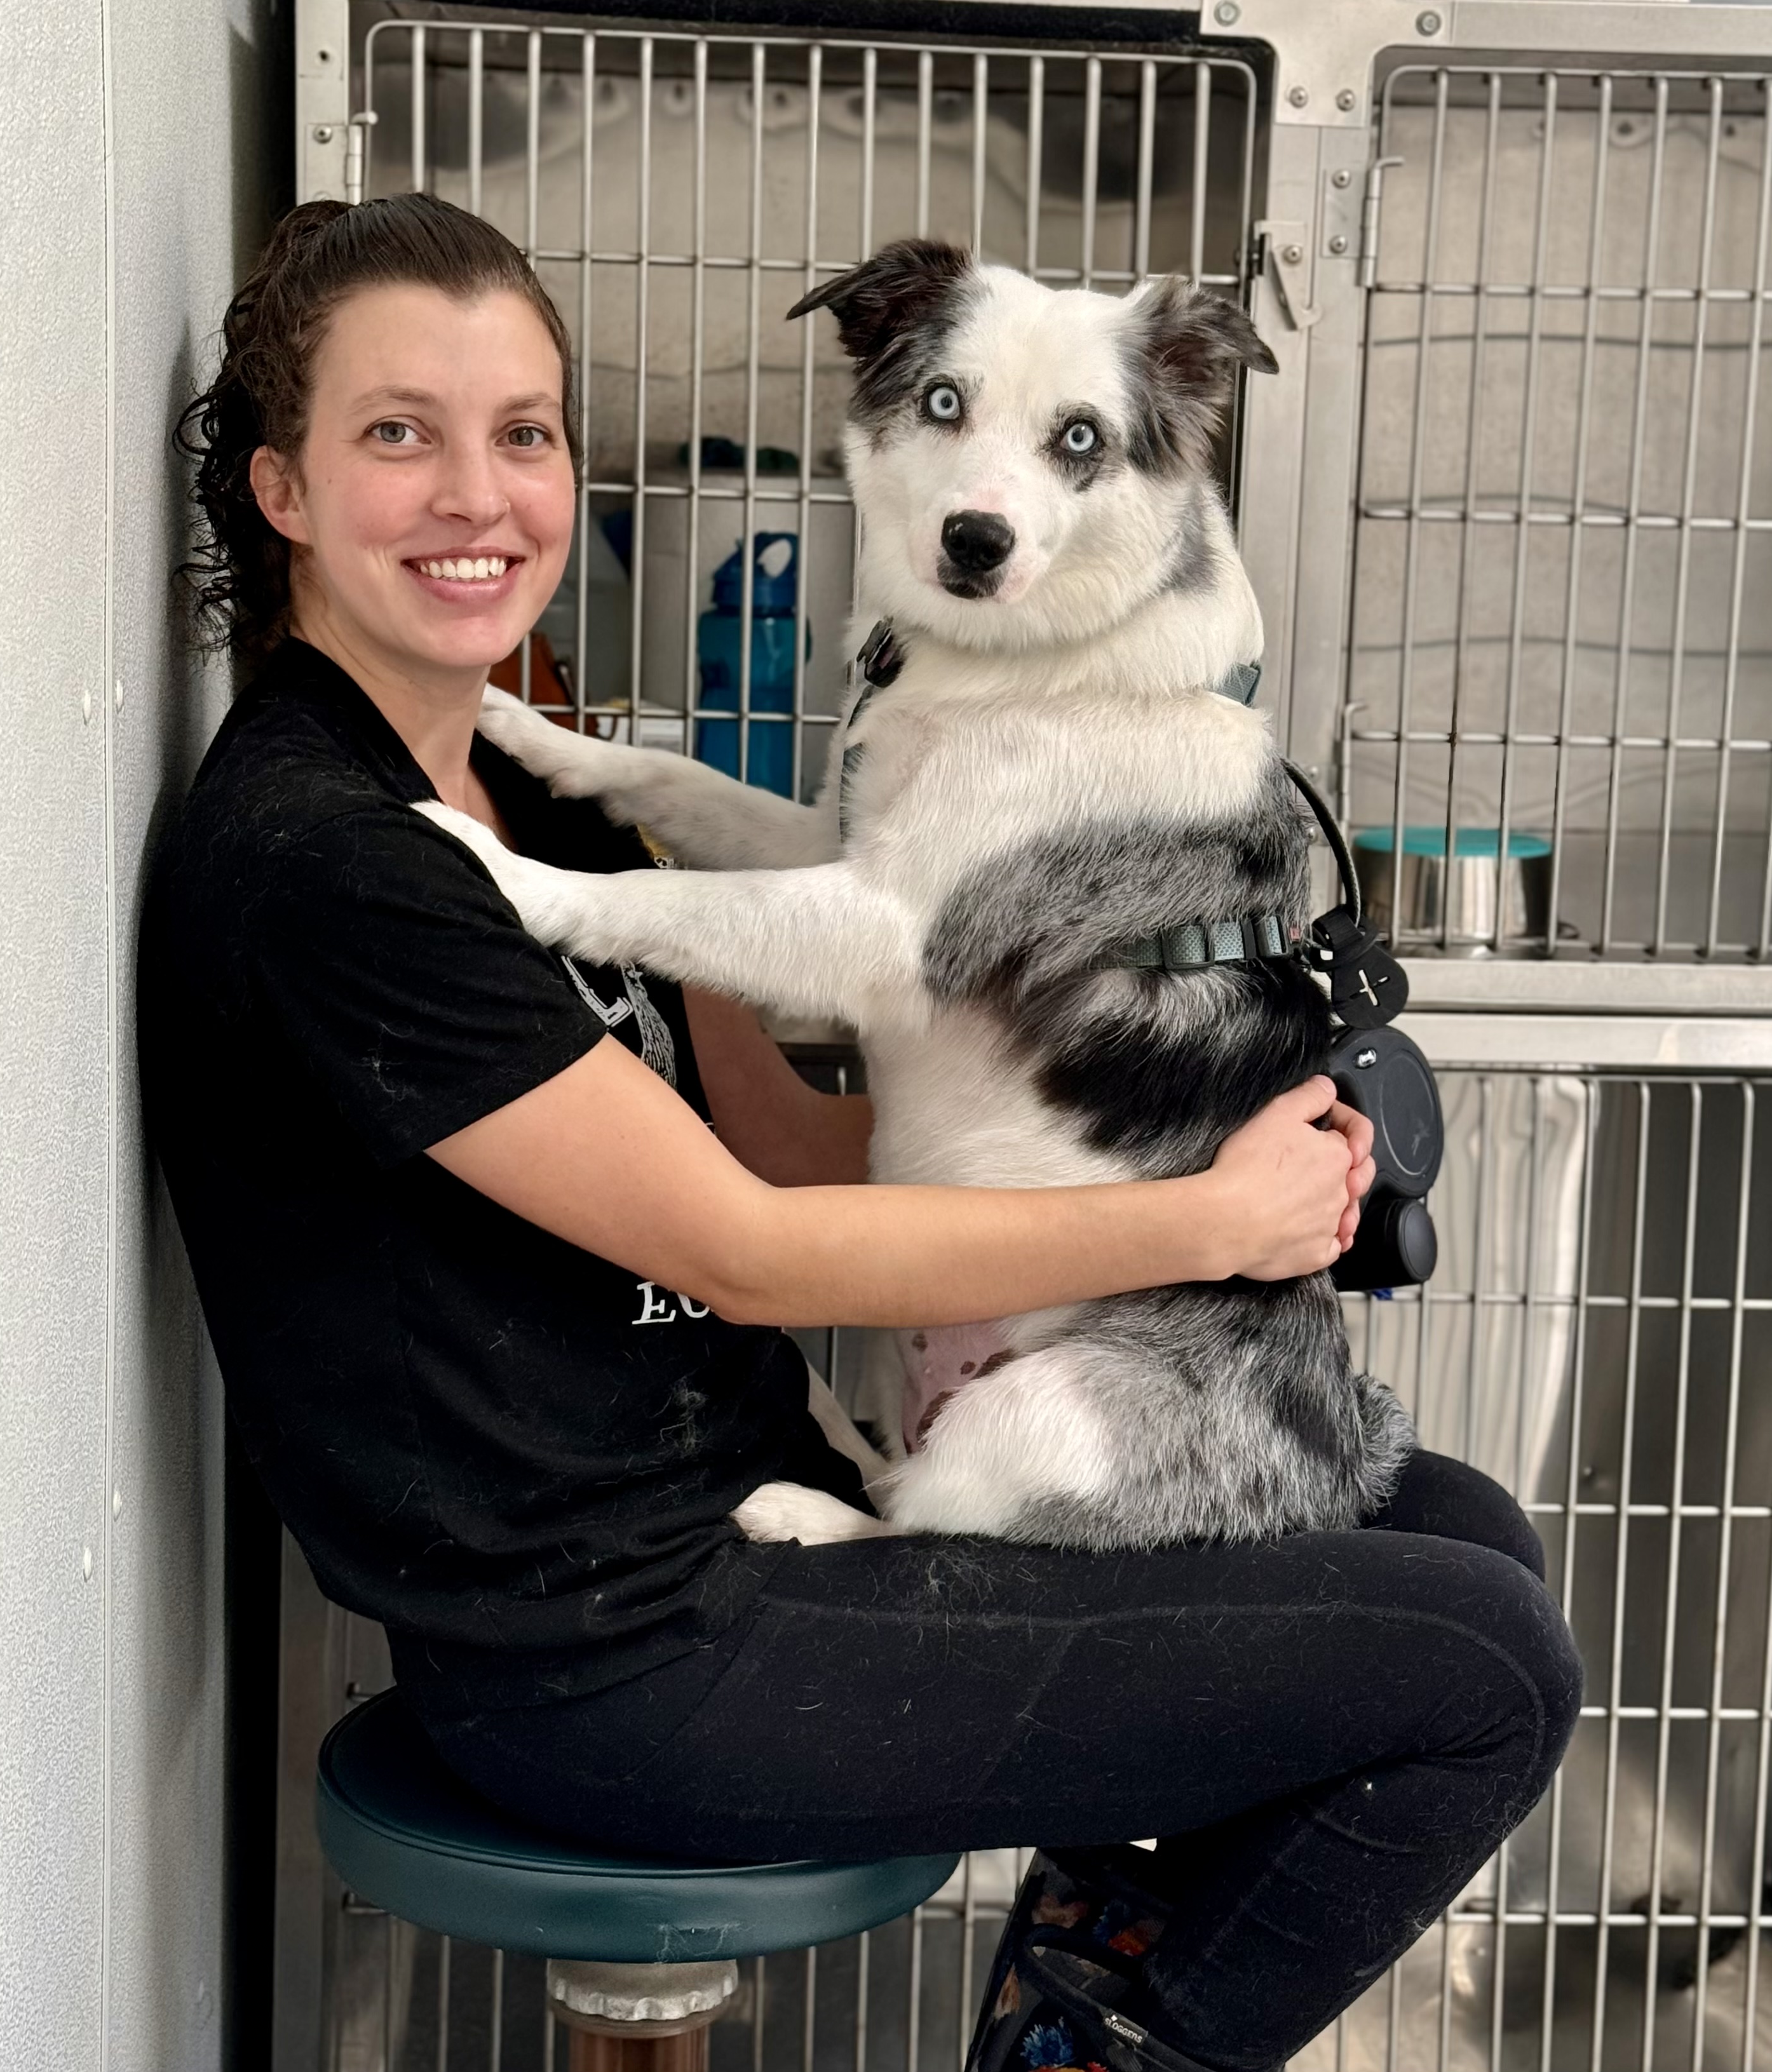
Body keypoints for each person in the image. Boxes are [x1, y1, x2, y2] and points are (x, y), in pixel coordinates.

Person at [140, 194, 1581, 2072]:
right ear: (282, 489)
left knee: (1459, 1526)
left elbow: (805, 1153)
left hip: (749, 1518)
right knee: (1486, 1675)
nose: (480, 496)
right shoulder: (337, 864)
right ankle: (1097, 2046)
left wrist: (1131, 1102)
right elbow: (743, 1251)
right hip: (624, 1648)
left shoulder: (530, 805)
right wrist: (1203, 1227)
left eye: (525, 434)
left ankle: (1095, 1959)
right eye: (397, 435)